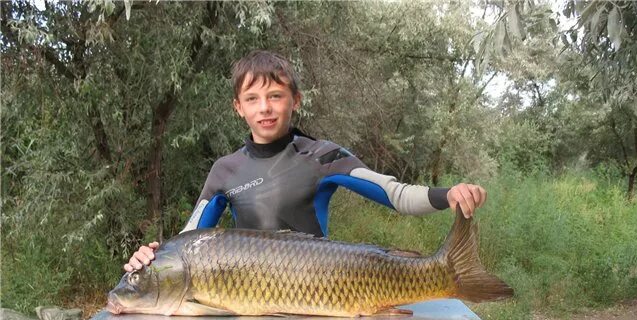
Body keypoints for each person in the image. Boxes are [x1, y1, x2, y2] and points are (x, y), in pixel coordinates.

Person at [124, 50, 486, 272]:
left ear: (294, 100)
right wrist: (152, 259)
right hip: (246, 301)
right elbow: (188, 243)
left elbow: (395, 194)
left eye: (275, 95)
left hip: (318, 293)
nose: (264, 107)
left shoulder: (321, 156)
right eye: (252, 98)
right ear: (238, 108)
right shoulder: (225, 170)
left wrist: (448, 194)